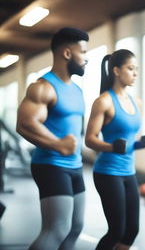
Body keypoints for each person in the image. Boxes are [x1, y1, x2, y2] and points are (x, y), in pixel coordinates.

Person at [16, 27, 89, 250]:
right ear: (67, 53)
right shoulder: (43, 87)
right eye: (83, 52)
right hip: (51, 166)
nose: (87, 58)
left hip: (75, 166)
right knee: (56, 230)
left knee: (75, 228)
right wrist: (57, 144)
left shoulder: (76, 90)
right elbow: (25, 124)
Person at [85, 49, 145, 250]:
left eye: (136, 69)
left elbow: (128, 143)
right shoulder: (104, 101)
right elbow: (89, 140)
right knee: (116, 230)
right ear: (116, 71)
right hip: (107, 172)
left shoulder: (137, 103)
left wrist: (143, 143)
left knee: (131, 230)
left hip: (129, 172)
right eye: (131, 68)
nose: (135, 73)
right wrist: (110, 146)